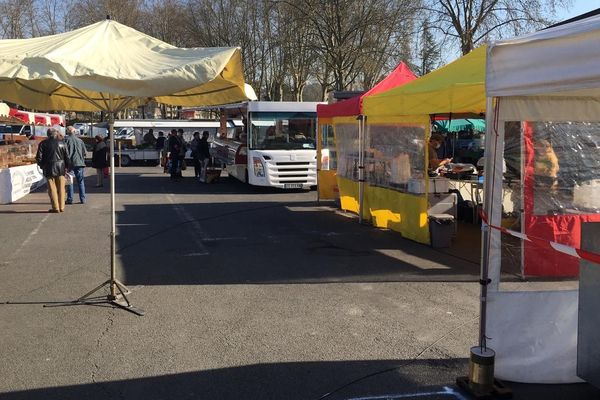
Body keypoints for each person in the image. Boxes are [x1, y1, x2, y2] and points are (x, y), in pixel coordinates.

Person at [36, 127, 71, 213]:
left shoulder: (43, 143)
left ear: (48, 134)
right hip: (61, 167)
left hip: (48, 167)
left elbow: (38, 158)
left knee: (52, 189)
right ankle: (62, 206)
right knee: (61, 188)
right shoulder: (62, 143)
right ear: (55, 134)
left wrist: (42, 166)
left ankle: (55, 207)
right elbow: (67, 156)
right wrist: (67, 167)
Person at [64, 126, 87, 204]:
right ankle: (83, 199)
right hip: (80, 163)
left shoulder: (66, 140)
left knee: (70, 181)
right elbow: (85, 153)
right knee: (81, 181)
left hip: (70, 163)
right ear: (74, 132)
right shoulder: (80, 140)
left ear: (67, 132)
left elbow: (64, 153)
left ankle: (70, 199)